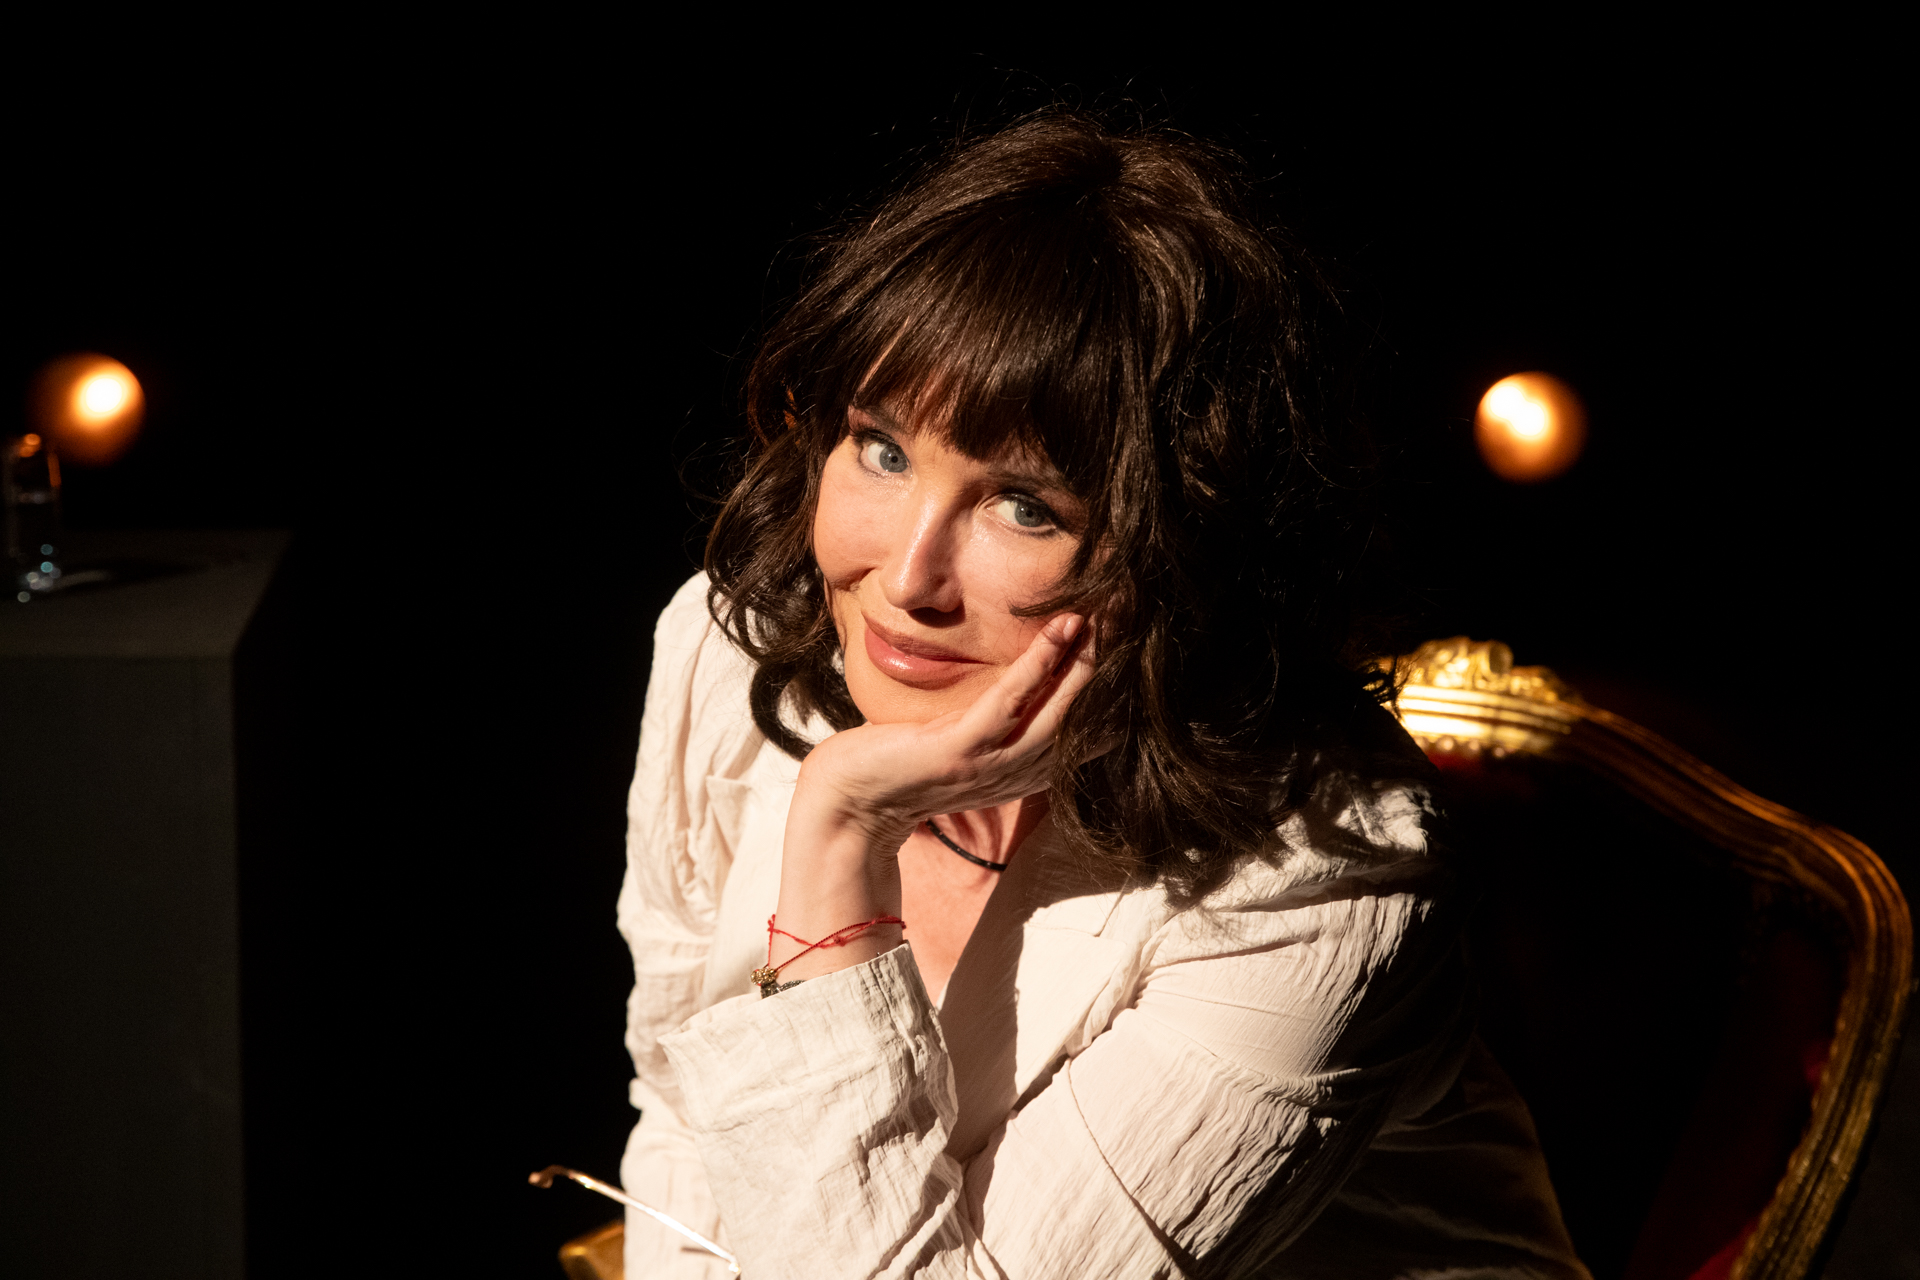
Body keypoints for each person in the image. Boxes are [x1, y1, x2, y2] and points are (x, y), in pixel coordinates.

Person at [618, 113, 1590, 1278]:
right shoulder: (737, 650)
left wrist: (838, 840)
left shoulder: (1317, 884)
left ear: (1182, 549)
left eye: (1025, 505)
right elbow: (681, 1106)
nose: (907, 579)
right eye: (882, 449)